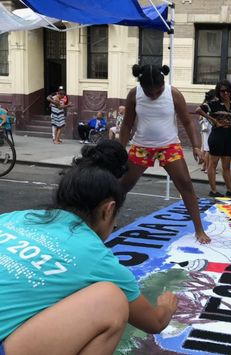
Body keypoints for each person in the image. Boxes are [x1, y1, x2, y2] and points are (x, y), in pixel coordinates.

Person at [0, 140, 178, 354]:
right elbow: (154, 323)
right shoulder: (97, 258)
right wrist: (166, 308)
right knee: (110, 301)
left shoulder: (14, 218)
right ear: (108, 210)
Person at [119, 64, 211, 244]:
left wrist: (196, 146)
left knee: (185, 184)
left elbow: (187, 122)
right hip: (141, 146)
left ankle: (199, 229)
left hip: (168, 146)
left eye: (157, 91)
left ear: (163, 83)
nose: (153, 95)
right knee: (121, 186)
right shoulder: (134, 94)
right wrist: (119, 150)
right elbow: (126, 125)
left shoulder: (173, 93)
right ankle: (108, 219)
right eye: (149, 92)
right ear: (141, 86)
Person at [195, 80, 231, 198]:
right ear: (218, 92)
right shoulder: (213, 103)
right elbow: (198, 110)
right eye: (222, 91)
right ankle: (214, 190)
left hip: (228, 136)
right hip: (217, 135)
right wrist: (213, 120)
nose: (225, 93)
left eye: (227, 90)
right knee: (213, 164)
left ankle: (230, 190)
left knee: (226, 166)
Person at [196, 90, 216, 173]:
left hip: (205, 128)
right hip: (209, 128)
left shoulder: (204, 105)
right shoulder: (209, 106)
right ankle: (208, 167)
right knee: (208, 149)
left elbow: (200, 118)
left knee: (205, 147)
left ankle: (204, 166)